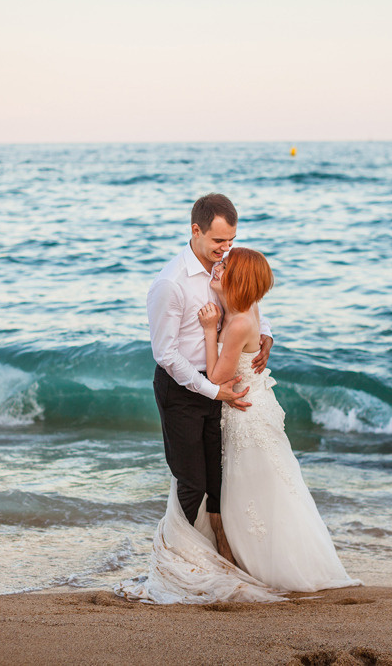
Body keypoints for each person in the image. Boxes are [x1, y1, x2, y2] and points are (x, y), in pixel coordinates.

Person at [116, 194, 281, 603]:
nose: (225, 248)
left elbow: (249, 303)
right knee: (191, 482)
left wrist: (266, 336)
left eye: (231, 240)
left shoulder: (228, 268)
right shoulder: (170, 283)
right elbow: (165, 354)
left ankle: (212, 556)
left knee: (218, 481)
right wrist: (212, 390)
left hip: (220, 385)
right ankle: (169, 567)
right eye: (218, 241)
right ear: (195, 231)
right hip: (183, 391)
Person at [197, 248, 359, 592]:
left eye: (223, 266)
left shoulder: (239, 321)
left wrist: (210, 329)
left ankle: (262, 566)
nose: (216, 267)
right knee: (270, 487)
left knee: (253, 489)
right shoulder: (247, 308)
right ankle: (261, 559)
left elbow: (214, 378)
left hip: (245, 414)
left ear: (237, 279)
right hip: (255, 405)